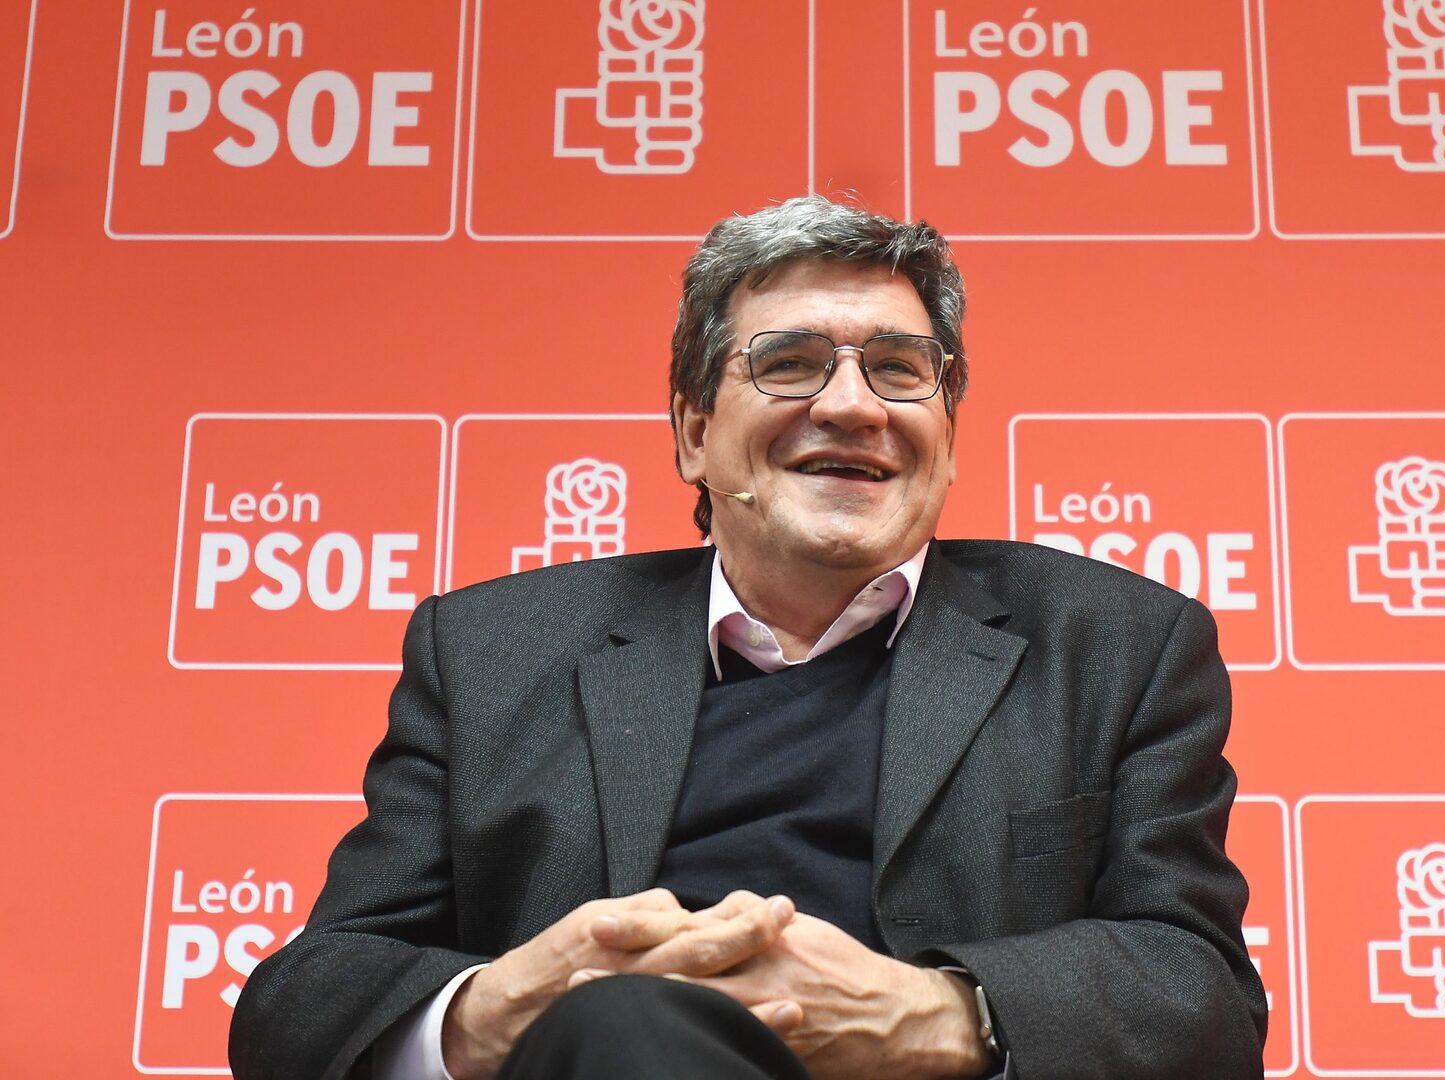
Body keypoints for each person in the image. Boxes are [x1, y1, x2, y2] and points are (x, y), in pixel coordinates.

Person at [230, 196, 1267, 1080]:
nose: (852, 405)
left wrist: (937, 1016)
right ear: (692, 431)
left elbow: (1205, 998)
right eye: (790, 363)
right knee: (623, 1028)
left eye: (899, 369)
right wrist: (496, 1011)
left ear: (948, 436)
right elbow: (302, 1005)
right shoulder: (492, 653)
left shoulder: (1113, 646)